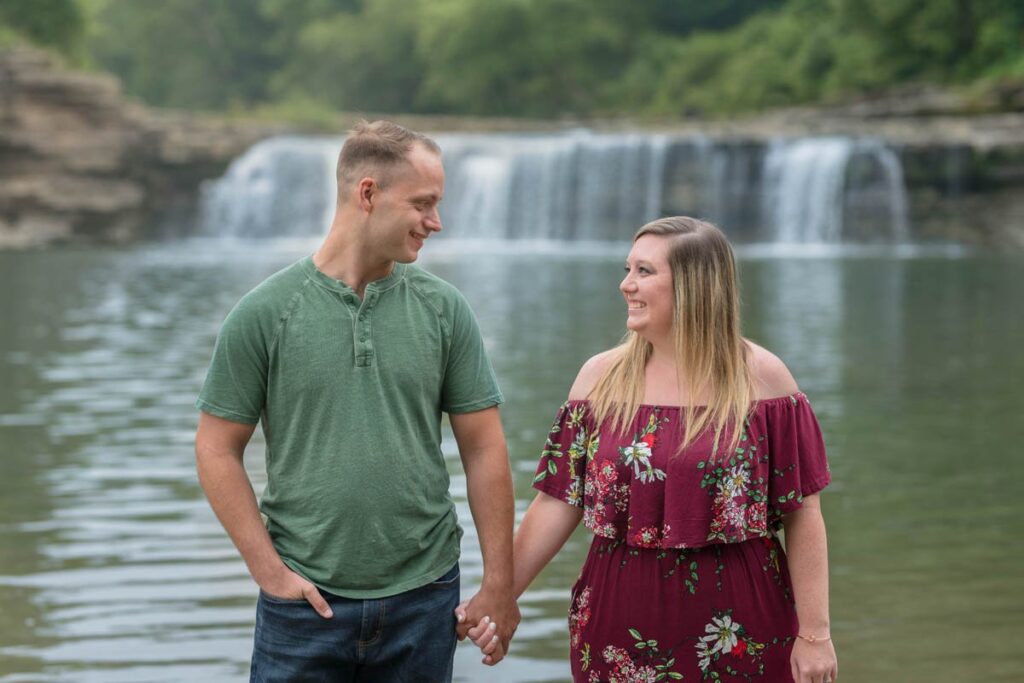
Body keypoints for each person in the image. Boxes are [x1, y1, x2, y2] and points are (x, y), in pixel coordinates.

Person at [194, 120, 519, 682]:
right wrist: (268, 571)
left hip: (425, 599)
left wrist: (499, 584)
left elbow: (485, 449)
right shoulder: (264, 312)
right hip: (302, 604)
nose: (436, 223)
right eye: (424, 203)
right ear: (367, 193)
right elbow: (216, 447)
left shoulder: (445, 310)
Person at [465, 216, 838, 682]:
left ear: (693, 286)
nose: (626, 285)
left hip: (742, 624)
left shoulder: (764, 382)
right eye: (627, 269)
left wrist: (816, 634)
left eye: (644, 272)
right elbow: (557, 502)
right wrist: (500, 597)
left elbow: (803, 513)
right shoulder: (599, 379)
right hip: (616, 620)